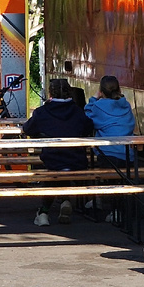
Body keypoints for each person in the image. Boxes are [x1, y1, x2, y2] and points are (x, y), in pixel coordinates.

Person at [23, 80, 94, 226]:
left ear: (50, 93)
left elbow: (28, 129)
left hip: (52, 159)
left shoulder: (42, 112)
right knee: (65, 168)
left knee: (54, 173)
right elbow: (88, 129)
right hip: (76, 159)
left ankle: (43, 213)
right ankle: (65, 200)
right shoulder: (78, 111)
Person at [85, 75, 136, 224]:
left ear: (101, 91)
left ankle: (113, 208)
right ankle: (109, 203)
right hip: (128, 155)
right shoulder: (125, 105)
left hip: (107, 154)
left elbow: (87, 117)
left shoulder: (98, 107)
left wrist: (94, 98)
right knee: (122, 177)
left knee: (105, 172)